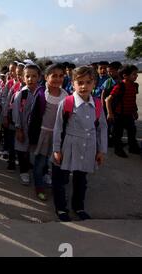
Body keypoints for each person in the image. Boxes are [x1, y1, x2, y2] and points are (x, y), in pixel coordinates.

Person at [52, 66, 107, 222]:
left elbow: (102, 127)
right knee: (61, 179)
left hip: (88, 146)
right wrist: (56, 149)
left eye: (88, 82)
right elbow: (58, 127)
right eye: (80, 82)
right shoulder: (67, 103)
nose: (84, 86)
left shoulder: (97, 104)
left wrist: (101, 150)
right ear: (73, 84)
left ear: (94, 84)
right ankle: (61, 208)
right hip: (69, 145)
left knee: (81, 179)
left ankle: (78, 206)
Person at [29, 64, 68, 201]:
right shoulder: (40, 94)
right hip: (43, 135)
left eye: (61, 76)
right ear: (46, 77)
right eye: (54, 76)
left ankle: (56, 186)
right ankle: (39, 186)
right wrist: (32, 137)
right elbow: (33, 118)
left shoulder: (66, 96)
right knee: (40, 162)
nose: (58, 79)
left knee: (56, 163)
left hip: (58, 136)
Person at [12, 64, 42, 186]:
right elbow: (16, 112)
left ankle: (42, 172)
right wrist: (19, 129)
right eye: (27, 76)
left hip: (38, 128)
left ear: (39, 77)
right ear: (23, 78)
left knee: (38, 151)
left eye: (34, 76)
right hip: (23, 127)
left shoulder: (42, 93)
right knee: (22, 150)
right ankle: (24, 171)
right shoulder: (21, 94)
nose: (30, 79)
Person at [106, 64, 140, 158]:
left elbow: (132, 100)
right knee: (118, 134)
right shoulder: (120, 86)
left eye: (136, 74)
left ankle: (132, 147)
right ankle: (118, 149)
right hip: (119, 115)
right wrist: (110, 113)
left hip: (128, 114)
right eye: (134, 74)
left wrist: (135, 111)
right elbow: (108, 100)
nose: (136, 76)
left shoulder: (134, 86)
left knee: (132, 131)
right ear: (125, 76)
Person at [100, 61, 122, 148]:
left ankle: (115, 140)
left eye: (111, 71)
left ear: (118, 70)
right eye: (108, 71)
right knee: (107, 125)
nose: (109, 73)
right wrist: (102, 106)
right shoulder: (108, 81)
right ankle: (107, 141)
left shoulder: (121, 81)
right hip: (108, 107)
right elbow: (103, 94)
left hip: (118, 107)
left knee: (117, 126)